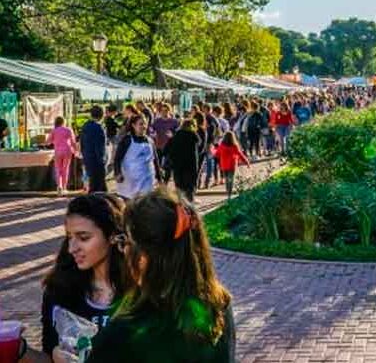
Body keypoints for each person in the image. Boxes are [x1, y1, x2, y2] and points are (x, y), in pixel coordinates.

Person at [86, 189, 235, 362]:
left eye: (124, 241)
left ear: (144, 257)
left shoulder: (125, 331)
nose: (123, 251)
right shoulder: (220, 305)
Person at [19, 194, 127, 363]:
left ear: (113, 236)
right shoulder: (59, 291)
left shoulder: (142, 294)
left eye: (84, 238)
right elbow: (47, 355)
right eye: (69, 237)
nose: (72, 248)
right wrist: (20, 349)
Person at [113, 115, 159, 200]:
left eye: (145, 124)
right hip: (130, 181)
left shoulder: (150, 140)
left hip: (147, 180)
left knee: (145, 203)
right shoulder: (127, 140)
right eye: (141, 124)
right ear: (133, 125)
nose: (144, 127)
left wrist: (159, 177)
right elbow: (117, 158)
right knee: (130, 205)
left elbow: (155, 160)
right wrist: (117, 172)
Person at [165, 119, 202, 202]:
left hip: (178, 165)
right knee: (190, 185)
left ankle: (181, 203)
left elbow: (166, 149)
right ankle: (190, 201)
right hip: (191, 164)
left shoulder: (176, 135)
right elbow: (200, 144)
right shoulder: (193, 135)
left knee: (180, 185)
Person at [213, 132, 251, 201]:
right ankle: (229, 194)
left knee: (227, 180)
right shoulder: (234, 146)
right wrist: (246, 162)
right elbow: (240, 154)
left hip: (223, 165)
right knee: (231, 179)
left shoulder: (221, 145)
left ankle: (228, 193)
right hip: (232, 165)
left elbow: (216, 155)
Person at [46, 117, 77, 196]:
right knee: (65, 169)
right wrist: (76, 150)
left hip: (58, 152)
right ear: (64, 122)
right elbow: (73, 142)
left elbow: (48, 142)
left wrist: (54, 141)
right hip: (67, 151)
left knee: (58, 169)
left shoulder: (54, 131)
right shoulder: (68, 130)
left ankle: (59, 186)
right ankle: (64, 187)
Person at [80, 106, 108, 193]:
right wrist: (102, 161)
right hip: (97, 161)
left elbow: (82, 144)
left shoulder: (85, 126)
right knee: (99, 188)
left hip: (88, 158)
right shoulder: (99, 128)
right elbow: (100, 148)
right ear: (102, 115)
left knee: (92, 185)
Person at [151, 104, 179, 184]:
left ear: (169, 111)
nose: (164, 112)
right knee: (157, 165)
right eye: (162, 111)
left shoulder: (174, 122)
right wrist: (153, 133)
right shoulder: (157, 121)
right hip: (158, 145)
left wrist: (173, 134)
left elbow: (178, 132)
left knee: (168, 166)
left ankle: (165, 182)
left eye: (166, 110)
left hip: (170, 147)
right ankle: (160, 180)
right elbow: (151, 129)